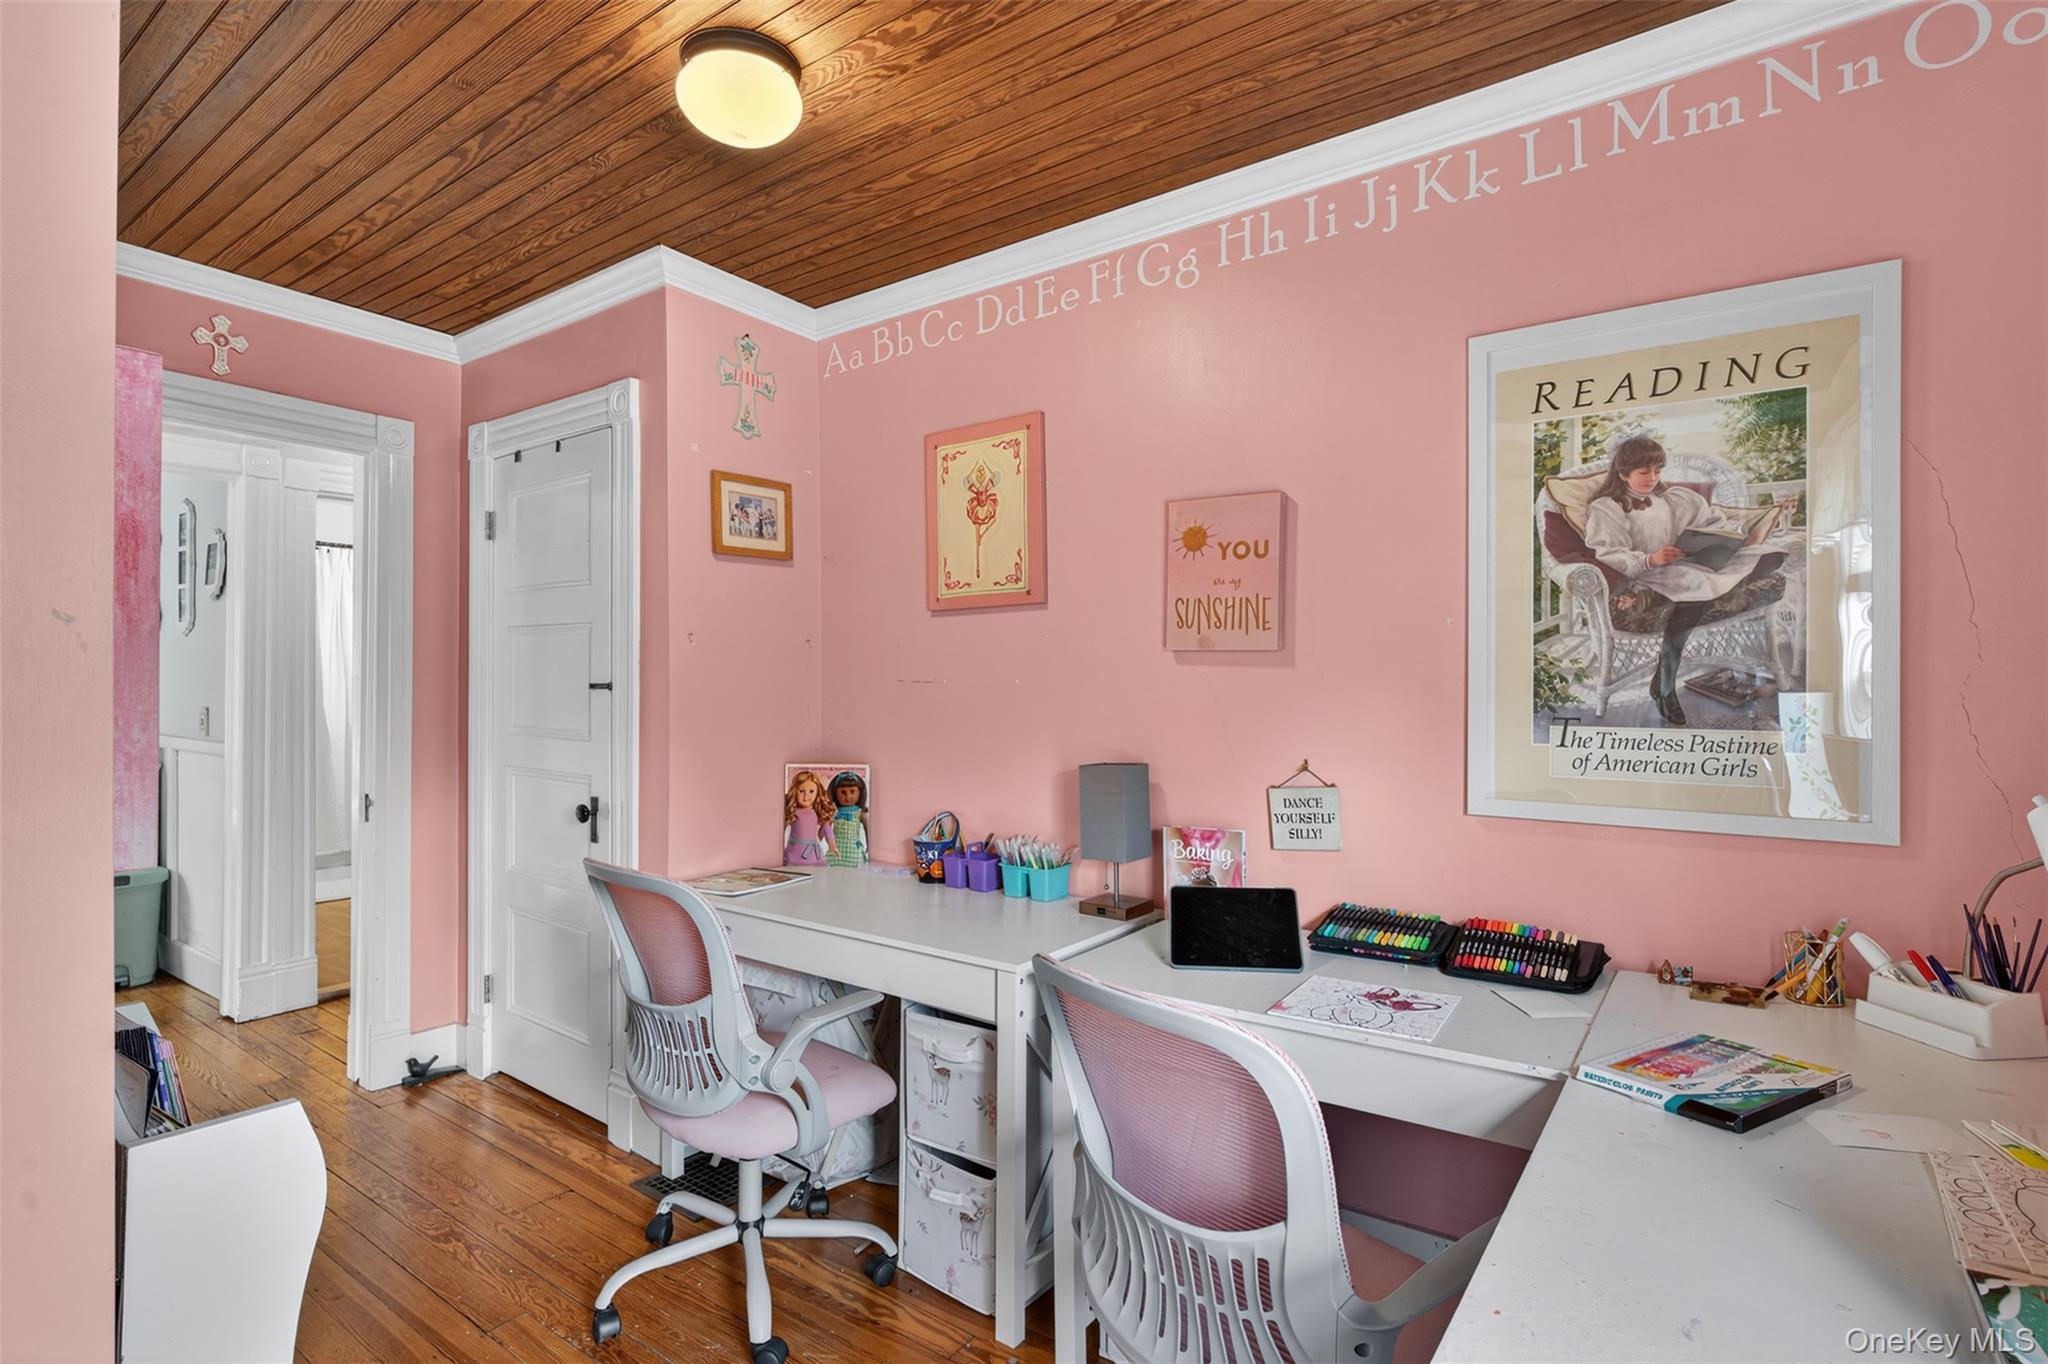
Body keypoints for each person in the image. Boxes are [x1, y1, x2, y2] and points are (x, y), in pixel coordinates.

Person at [1581, 436, 1782, 726]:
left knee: (1770, 556)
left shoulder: (1673, 499)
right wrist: (1650, 559)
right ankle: (1666, 683)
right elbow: (1608, 552)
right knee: (1695, 589)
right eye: (1644, 472)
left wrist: (1725, 538)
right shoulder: (1607, 507)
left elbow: (1711, 523)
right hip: (1647, 572)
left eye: (1657, 471)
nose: (1653, 478)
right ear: (1623, 474)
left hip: (1681, 565)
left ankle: (1662, 677)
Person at [782, 769, 834, 866]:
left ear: (817, 792)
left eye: (811, 791)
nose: (806, 796)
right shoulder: (793, 811)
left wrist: (832, 845)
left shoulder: (817, 811)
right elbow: (781, 830)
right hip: (794, 852)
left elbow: (827, 828)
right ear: (795, 791)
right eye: (801, 791)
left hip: (813, 854)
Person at [825, 770, 869, 867]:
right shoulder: (833, 812)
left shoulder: (860, 813)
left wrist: (869, 845)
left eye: (852, 792)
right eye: (843, 792)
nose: (848, 797)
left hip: (853, 852)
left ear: (860, 792)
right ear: (835, 793)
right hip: (836, 850)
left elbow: (868, 830)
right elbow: (827, 829)